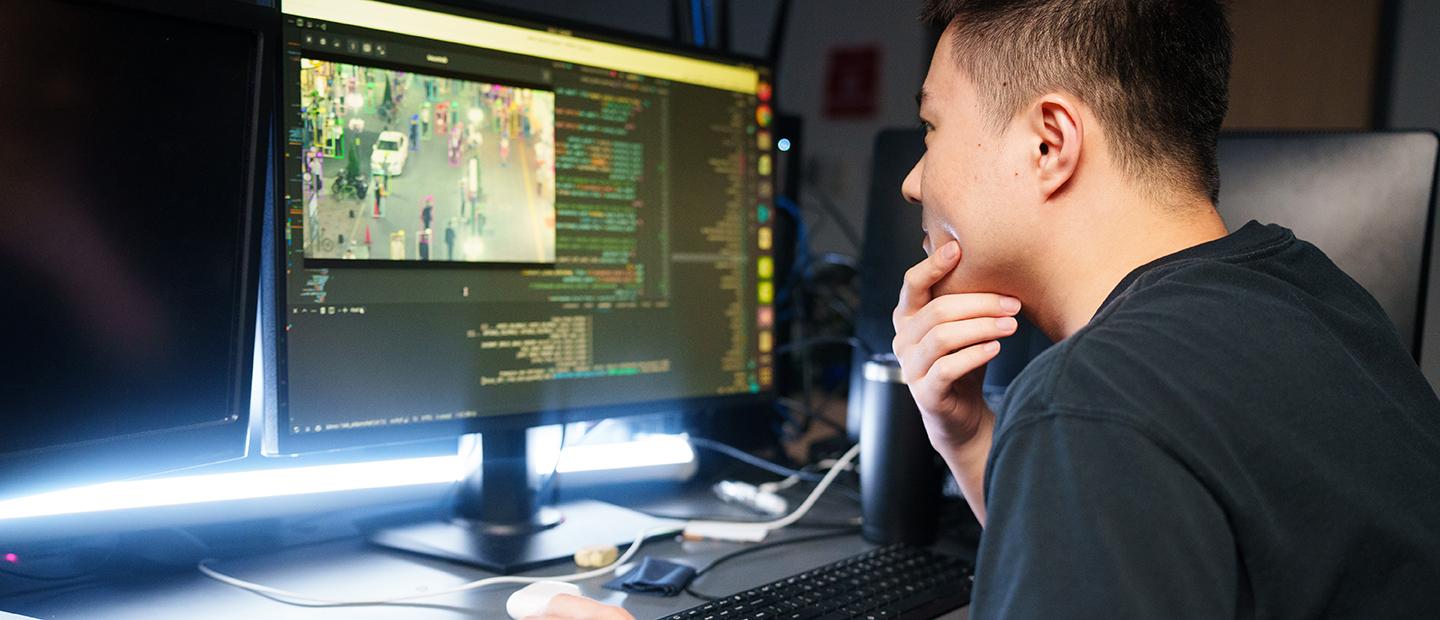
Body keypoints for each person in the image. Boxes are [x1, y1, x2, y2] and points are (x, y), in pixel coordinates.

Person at [531, 1, 1440, 618]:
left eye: (931, 127)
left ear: (1050, 142)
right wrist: (967, 436)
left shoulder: (1097, 397)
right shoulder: (1312, 292)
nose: (915, 178)